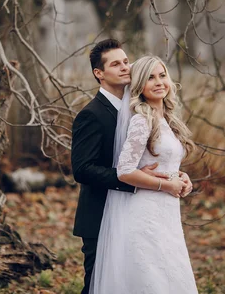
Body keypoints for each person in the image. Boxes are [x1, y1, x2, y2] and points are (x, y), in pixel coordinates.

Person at [71, 40, 192, 294]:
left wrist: (176, 175)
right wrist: (132, 179)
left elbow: (154, 155)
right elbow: (82, 169)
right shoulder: (92, 114)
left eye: (126, 61)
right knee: (99, 286)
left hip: (145, 211)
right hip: (100, 213)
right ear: (99, 73)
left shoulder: (140, 109)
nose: (125, 67)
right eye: (116, 64)